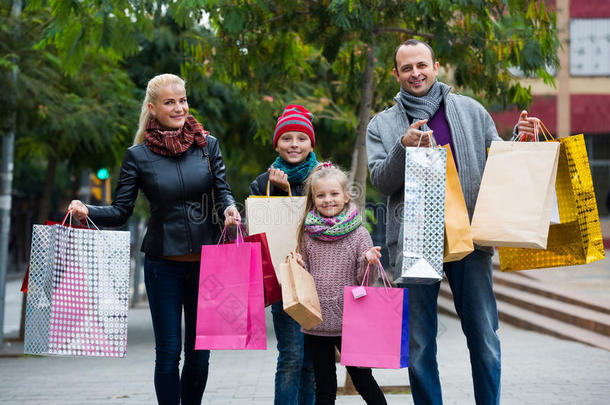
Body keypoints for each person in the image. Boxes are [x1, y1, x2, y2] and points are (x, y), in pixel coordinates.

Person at [366, 39, 535, 405]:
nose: (416, 73)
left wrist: (519, 141)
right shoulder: (382, 124)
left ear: (436, 66)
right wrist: (402, 147)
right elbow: (380, 179)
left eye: (422, 65)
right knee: (421, 345)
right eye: (407, 68)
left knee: (484, 338)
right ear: (395, 74)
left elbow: (499, 166)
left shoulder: (471, 111)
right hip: (413, 243)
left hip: (470, 238)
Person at [68, 73, 241, 405]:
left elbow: (223, 192)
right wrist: (86, 210)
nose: (179, 108)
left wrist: (231, 210)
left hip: (208, 267)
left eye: (183, 100)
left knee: (200, 355)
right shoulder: (138, 156)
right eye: (169, 102)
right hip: (163, 266)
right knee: (168, 354)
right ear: (152, 107)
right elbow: (121, 211)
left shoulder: (208, 145)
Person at [292, 162, 387, 405]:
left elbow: (366, 279)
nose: (328, 200)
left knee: (363, 379)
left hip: (350, 321)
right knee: (324, 386)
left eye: (334, 194)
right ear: (313, 199)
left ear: (346, 196)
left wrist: (368, 261)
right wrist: (298, 265)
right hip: (317, 321)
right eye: (321, 195)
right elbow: (306, 276)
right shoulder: (307, 233)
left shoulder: (358, 233)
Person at [249, 104, 317, 405]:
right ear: (276, 143)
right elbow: (257, 228)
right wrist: (277, 191)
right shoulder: (262, 183)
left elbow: (336, 216)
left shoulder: (323, 176)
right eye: (287, 138)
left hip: (319, 281)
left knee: (312, 361)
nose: (294, 144)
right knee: (291, 355)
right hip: (283, 282)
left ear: (311, 143)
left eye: (301, 138)